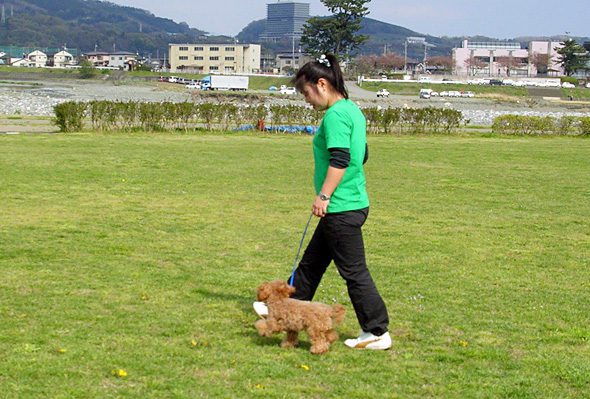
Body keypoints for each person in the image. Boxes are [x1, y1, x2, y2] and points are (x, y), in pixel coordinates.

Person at [254, 54, 390, 350]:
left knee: (354, 272)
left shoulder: (336, 116)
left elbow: (341, 158)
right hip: (352, 202)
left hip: (341, 206)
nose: (306, 100)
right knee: (311, 264)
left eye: (306, 93)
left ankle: (377, 330)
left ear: (322, 84)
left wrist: (324, 195)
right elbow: (362, 155)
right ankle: (284, 309)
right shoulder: (352, 110)